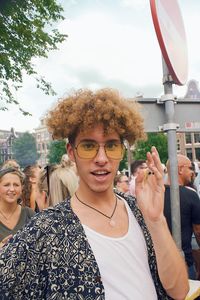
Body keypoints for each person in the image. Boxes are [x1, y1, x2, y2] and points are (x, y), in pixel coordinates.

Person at [0, 88, 188, 299]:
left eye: (111, 145)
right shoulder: (46, 229)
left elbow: (180, 291)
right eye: (89, 146)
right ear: (71, 152)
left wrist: (156, 220)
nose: (101, 158)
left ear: (122, 151)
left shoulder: (139, 211)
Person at [164, 154, 200, 280]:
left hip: (160, 264)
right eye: (190, 168)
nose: (192, 172)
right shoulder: (190, 195)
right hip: (184, 262)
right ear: (180, 170)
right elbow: (198, 230)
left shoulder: (154, 195)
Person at [0, 167, 34, 249]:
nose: (12, 189)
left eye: (16, 185)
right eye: (6, 185)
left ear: (22, 188)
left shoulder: (29, 214)